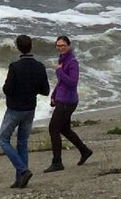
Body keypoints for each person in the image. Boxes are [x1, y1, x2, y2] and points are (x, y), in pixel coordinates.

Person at [0, 34, 50, 189]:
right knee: (22, 142)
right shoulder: (40, 66)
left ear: (17, 47)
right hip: (30, 108)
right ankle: (20, 180)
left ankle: (23, 170)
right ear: (31, 47)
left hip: (15, 109)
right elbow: (45, 90)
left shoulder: (15, 67)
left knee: (3, 139)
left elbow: (7, 89)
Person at [44, 34, 92, 172]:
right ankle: (85, 151)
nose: (60, 48)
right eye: (58, 45)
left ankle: (57, 162)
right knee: (64, 129)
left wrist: (59, 71)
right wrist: (53, 95)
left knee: (53, 128)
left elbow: (72, 82)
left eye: (63, 45)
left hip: (68, 101)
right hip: (62, 99)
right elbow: (61, 83)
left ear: (69, 46)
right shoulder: (62, 59)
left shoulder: (72, 62)